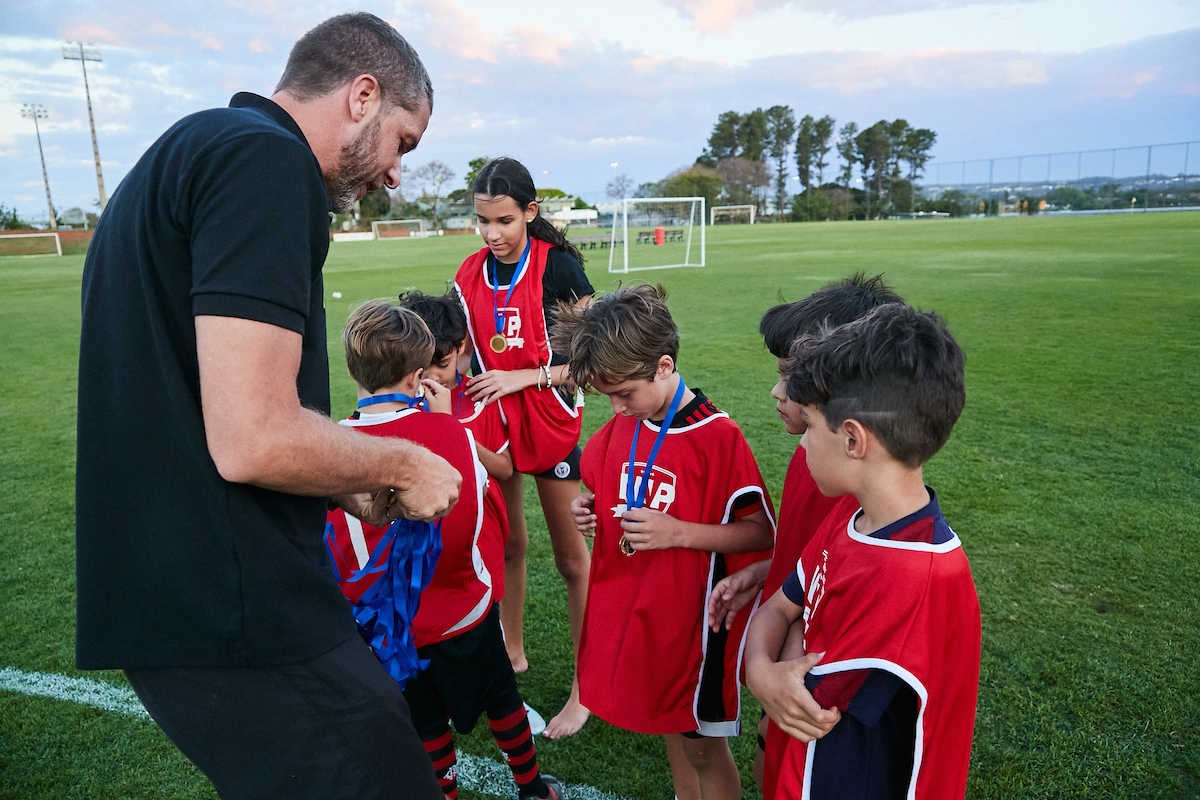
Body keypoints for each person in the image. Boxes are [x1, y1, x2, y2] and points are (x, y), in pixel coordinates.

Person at [75, 14, 455, 800]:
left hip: (174, 590)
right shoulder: (264, 160)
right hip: (232, 599)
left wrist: (340, 477)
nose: (394, 175)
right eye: (403, 143)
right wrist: (402, 460)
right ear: (361, 96)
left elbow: (194, 403)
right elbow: (251, 438)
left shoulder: (193, 145)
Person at [324, 300, 562, 800]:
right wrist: (442, 424)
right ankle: (532, 788)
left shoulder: (331, 445)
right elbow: (475, 521)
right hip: (463, 607)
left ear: (352, 368)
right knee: (502, 699)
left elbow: (337, 544)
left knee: (425, 720)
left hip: (390, 627)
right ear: (418, 377)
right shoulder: (451, 433)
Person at [744, 303, 982, 800]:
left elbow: (810, 704)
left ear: (853, 439)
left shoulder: (915, 579)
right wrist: (762, 673)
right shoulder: (849, 518)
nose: (802, 443)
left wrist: (767, 674)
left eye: (808, 426)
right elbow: (780, 607)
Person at [555, 284, 775, 800]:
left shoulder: (717, 438)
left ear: (663, 365)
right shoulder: (620, 427)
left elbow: (763, 532)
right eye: (605, 395)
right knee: (671, 731)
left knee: (701, 745)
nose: (615, 407)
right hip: (639, 615)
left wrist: (678, 533)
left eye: (624, 393)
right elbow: (606, 487)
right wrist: (587, 507)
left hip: (694, 627)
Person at [704, 274, 907, 789]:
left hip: (806, 673)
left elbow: (833, 587)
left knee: (783, 764)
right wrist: (764, 572)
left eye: (791, 379)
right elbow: (811, 558)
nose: (776, 391)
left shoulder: (841, 482)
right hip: (781, 647)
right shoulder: (814, 456)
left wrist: (776, 665)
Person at [453, 157, 594, 738]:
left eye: (505, 221)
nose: (492, 234)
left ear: (530, 214)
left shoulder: (558, 268)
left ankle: (586, 689)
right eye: (483, 221)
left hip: (550, 418)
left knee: (571, 558)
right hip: (494, 422)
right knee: (508, 542)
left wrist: (524, 377)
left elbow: (592, 359)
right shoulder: (468, 274)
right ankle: (512, 650)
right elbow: (463, 353)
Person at [401, 290, 548, 735]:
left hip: (476, 537)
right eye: (423, 370)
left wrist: (454, 433)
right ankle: (434, 704)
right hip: (422, 537)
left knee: (482, 631)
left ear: (461, 348)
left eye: (442, 367)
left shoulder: (478, 398)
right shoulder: (402, 394)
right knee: (427, 623)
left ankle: (505, 701)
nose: (434, 380)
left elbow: (504, 466)